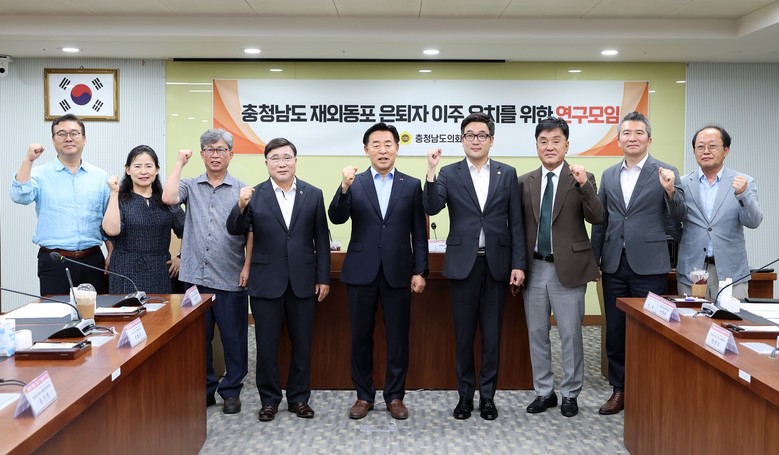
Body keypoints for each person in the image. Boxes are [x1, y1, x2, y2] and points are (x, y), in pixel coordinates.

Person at [423, 112, 526, 421]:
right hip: (462, 264)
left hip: (497, 265)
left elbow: (516, 223)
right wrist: (431, 171)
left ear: (491, 140)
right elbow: (431, 206)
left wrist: (518, 263)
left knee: (492, 336)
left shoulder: (507, 173)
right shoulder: (449, 173)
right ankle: (465, 396)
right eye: (470, 135)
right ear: (462, 140)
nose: (476, 140)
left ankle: (488, 397)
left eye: (482, 135)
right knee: (464, 335)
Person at [328, 122, 428, 421]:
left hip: (398, 271)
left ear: (397, 148)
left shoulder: (411, 185)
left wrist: (420, 270)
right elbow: (336, 217)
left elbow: (419, 233)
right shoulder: (354, 183)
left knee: (398, 338)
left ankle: (395, 396)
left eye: (388, 144)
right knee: (360, 337)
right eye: (376, 145)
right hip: (361, 271)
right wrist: (343, 187)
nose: (382, 150)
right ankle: (363, 395)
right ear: (366, 149)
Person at [226, 137, 331, 422]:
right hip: (265, 282)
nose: (281, 163)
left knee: (302, 344)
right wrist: (240, 205)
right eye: (275, 158)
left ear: (295, 161)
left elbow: (321, 239)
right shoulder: (254, 194)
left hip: (303, 281)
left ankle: (299, 398)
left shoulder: (313, 194)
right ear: (266, 163)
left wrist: (323, 277)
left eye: (287, 158)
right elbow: (235, 229)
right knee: (266, 345)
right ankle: (269, 400)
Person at [591, 111, 686, 415]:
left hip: (649, 265)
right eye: (627, 133)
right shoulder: (609, 174)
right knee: (616, 331)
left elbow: (679, 218)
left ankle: (647, 389)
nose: (632, 138)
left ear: (649, 139)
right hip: (614, 265)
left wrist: (671, 191)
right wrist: (594, 260)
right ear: (619, 140)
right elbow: (601, 221)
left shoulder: (666, 172)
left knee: (649, 330)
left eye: (638, 133)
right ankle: (619, 389)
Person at [518, 117, 605, 418]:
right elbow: (518, 228)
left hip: (568, 269)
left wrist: (583, 185)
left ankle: (570, 393)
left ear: (567, 145)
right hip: (534, 268)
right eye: (543, 141)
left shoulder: (582, 177)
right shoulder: (525, 182)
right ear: (536, 146)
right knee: (537, 333)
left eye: (556, 141)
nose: (550, 146)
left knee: (570, 335)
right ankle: (544, 392)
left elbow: (597, 217)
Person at [162, 129, 252, 415]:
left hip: (230, 275)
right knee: (198, 340)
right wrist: (180, 162)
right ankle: (205, 389)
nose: (215, 155)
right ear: (202, 154)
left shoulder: (242, 189)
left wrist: (247, 266)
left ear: (231, 155)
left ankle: (232, 391)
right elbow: (168, 197)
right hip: (194, 279)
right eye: (210, 150)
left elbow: (251, 232)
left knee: (234, 339)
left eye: (221, 149)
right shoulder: (190, 185)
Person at [10, 113, 111, 295]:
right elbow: (19, 196)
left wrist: (111, 253)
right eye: (61, 134)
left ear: (84, 139)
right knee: (56, 311)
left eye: (74, 133)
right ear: (53, 140)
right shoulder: (39, 174)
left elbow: (107, 221)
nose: (68, 138)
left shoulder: (100, 176)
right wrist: (28, 160)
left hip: (93, 260)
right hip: (55, 261)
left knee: (96, 310)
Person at [676, 125, 762, 300]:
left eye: (712, 146)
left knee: (731, 318)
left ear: (726, 150)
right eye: (700, 147)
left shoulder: (744, 181)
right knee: (690, 318)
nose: (706, 151)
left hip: (731, 273)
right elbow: (673, 221)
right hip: (692, 272)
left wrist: (742, 194)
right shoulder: (683, 183)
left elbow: (753, 221)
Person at [102, 145, 185, 294]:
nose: (143, 171)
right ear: (128, 170)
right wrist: (114, 193)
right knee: (127, 308)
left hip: (160, 270)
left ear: (157, 169)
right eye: (137, 166)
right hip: (125, 271)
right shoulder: (119, 198)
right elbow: (111, 231)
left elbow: (188, 230)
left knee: (161, 309)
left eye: (149, 166)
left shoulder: (166, 199)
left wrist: (180, 257)